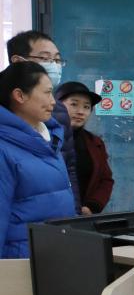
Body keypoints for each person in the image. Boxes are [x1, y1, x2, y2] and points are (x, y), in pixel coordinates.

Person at [0, 62, 76, 258]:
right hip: (20, 261)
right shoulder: (4, 148)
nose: (53, 102)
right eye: (47, 93)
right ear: (20, 96)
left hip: (54, 254)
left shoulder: (50, 140)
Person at [6, 30, 79, 210]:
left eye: (57, 60)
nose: (53, 65)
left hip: (57, 219)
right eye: (45, 58)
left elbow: (68, 166)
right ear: (18, 61)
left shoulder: (59, 111)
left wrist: (75, 211)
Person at [56, 81, 114, 215]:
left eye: (87, 107)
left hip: (84, 217)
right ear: (56, 105)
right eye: (74, 104)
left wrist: (92, 206)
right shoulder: (45, 138)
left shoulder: (95, 143)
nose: (80, 112)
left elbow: (105, 179)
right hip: (52, 216)